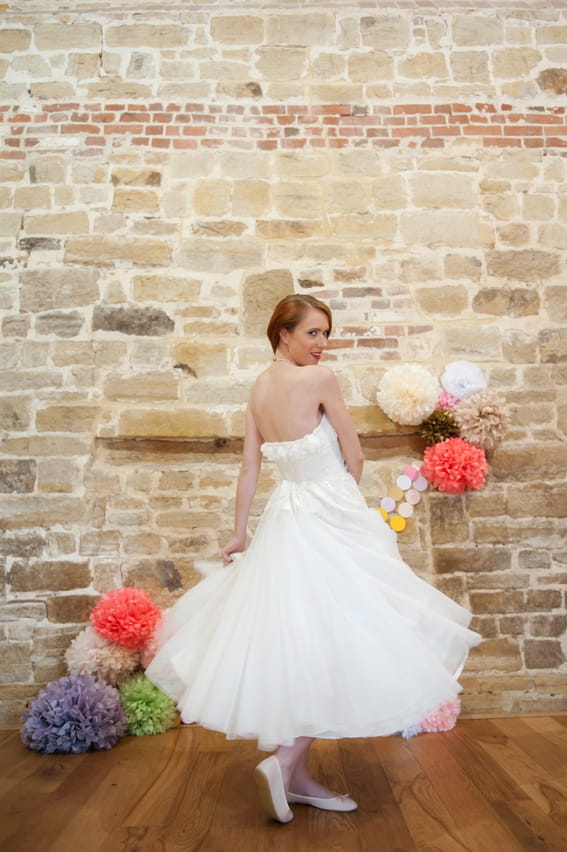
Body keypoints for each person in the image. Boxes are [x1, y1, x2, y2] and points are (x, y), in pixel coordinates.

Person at [146, 294, 481, 824]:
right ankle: (285, 763)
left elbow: (249, 470)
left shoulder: (259, 388)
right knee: (341, 632)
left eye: (326, 333)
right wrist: (349, 508)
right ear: (283, 333)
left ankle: (297, 774)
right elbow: (354, 452)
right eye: (313, 334)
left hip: (284, 518)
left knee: (306, 634)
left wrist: (240, 534)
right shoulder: (319, 382)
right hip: (330, 514)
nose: (323, 344)